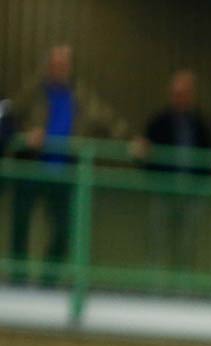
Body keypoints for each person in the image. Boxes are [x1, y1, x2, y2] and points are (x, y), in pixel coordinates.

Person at [8, 45, 132, 286]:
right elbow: (10, 119)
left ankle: (49, 279)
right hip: (32, 167)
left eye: (64, 65)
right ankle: (18, 277)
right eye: (55, 64)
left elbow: (107, 119)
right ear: (47, 66)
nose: (59, 69)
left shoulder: (81, 96)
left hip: (65, 171)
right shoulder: (33, 91)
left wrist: (130, 140)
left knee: (64, 229)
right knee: (21, 224)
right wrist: (26, 135)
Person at [138, 69, 211, 276]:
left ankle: (183, 287)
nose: (180, 98)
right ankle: (154, 285)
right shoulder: (159, 122)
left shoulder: (201, 124)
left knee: (186, 241)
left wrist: (202, 186)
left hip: (191, 192)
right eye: (177, 93)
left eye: (185, 93)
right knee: (158, 238)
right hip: (163, 189)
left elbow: (209, 159)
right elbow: (145, 154)